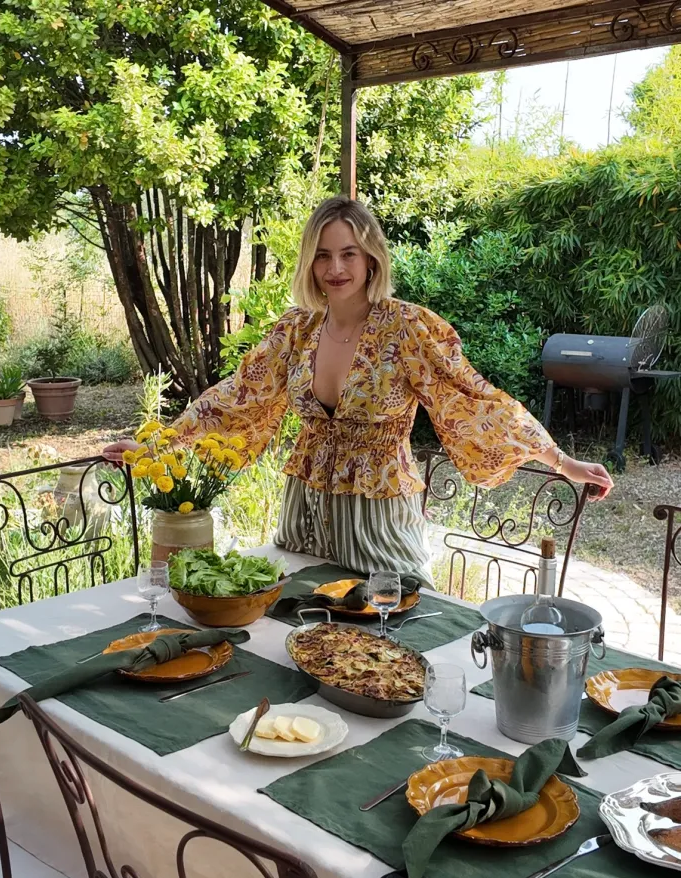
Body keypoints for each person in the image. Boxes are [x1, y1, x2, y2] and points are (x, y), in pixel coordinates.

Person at [104, 195, 613, 586]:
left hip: (380, 518)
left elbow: (474, 400)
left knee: (393, 630)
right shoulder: (297, 330)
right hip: (305, 515)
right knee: (301, 632)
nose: (336, 269)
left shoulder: (407, 328)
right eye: (323, 256)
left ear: (371, 258)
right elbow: (238, 396)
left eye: (349, 253)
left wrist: (561, 461)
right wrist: (158, 445)